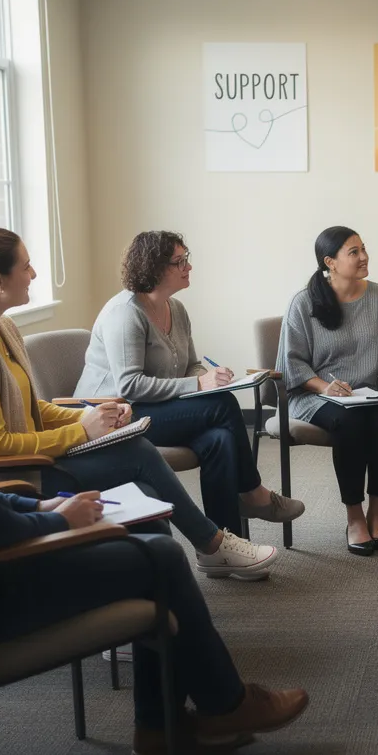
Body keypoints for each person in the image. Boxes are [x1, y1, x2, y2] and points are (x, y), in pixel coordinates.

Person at [0, 224, 310, 755]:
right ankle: (216, 707)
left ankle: (167, 725)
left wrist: (40, 504)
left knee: (147, 534)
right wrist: (56, 519)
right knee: (159, 554)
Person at [0, 226, 276, 581]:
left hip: (42, 456)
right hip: (18, 477)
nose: (34, 274)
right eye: (26, 267)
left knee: (154, 488)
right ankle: (214, 543)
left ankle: (194, 565)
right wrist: (79, 431)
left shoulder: (2, 327)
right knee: (142, 453)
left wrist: (87, 415)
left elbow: (31, 408)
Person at [74, 230, 305, 541]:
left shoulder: (176, 309)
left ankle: (227, 545)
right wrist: (198, 383)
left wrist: (211, 377)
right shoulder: (125, 313)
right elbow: (130, 386)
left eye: (187, 259)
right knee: (223, 406)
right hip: (117, 416)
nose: (188, 267)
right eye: (179, 261)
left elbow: (190, 364)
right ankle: (253, 493)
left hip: (153, 408)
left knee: (219, 438)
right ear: (153, 268)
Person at [277, 226, 378, 556]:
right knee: (350, 423)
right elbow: (290, 365)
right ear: (331, 262)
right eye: (354, 252)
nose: (364, 256)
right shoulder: (304, 303)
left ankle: (377, 513)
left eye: (364, 248)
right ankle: (354, 517)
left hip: (366, 394)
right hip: (314, 396)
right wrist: (326, 386)